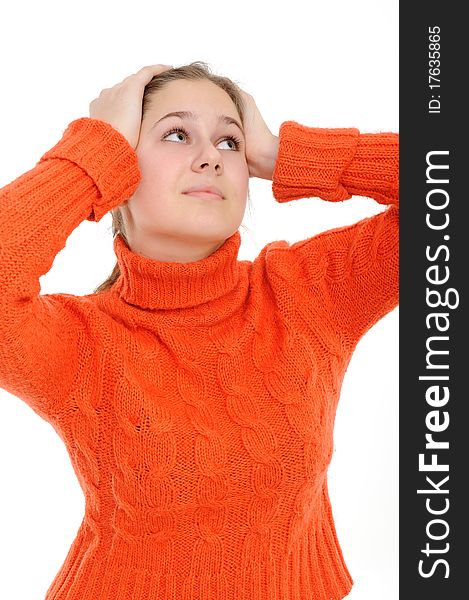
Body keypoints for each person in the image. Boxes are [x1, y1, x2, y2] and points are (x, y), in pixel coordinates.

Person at [0, 61, 398, 600]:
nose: (211, 156)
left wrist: (287, 155)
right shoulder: (82, 342)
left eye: (230, 143)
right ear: (122, 168)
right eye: (177, 134)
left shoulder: (307, 294)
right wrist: (94, 152)